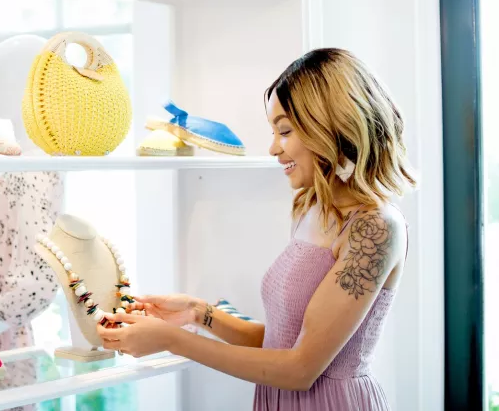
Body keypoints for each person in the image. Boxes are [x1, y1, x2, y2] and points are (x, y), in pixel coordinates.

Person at [97, 48, 416, 410]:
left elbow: (300, 369)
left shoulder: (375, 228)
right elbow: (281, 345)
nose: (274, 148)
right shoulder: (311, 208)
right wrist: (198, 312)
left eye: (284, 131)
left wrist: (172, 339)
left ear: (330, 125)